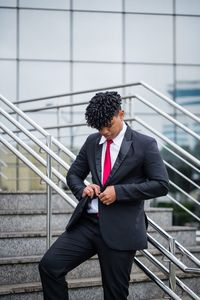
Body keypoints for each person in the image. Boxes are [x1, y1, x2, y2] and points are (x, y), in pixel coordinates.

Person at [39, 91, 169, 300]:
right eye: (99, 128)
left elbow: (161, 185)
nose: (104, 131)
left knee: (114, 295)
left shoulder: (145, 144)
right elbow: (73, 174)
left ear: (121, 114)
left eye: (108, 125)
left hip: (121, 229)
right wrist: (83, 189)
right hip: (87, 224)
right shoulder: (93, 142)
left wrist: (119, 192)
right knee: (49, 266)